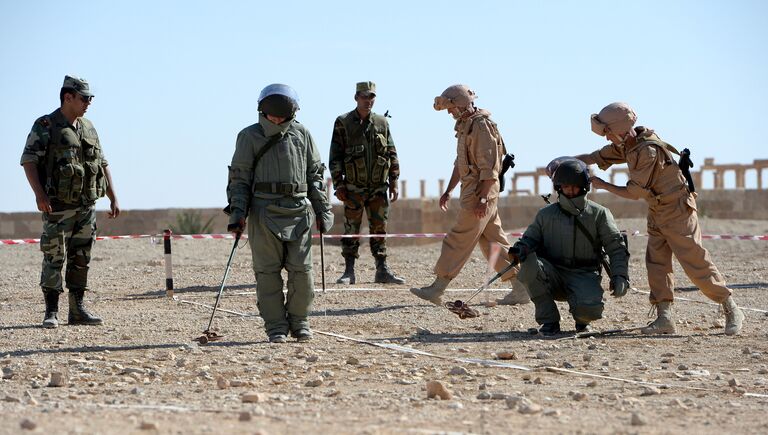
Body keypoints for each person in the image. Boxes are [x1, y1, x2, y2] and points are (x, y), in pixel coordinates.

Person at [576, 102, 745, 335]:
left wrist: (602, 184)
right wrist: (566, 161)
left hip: (676, 209)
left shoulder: (646, 151)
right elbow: (596, 156)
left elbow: (635, 192)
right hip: (657, 208)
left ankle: (730, 306)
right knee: (657, 263)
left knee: (694, 261)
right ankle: (664, 318)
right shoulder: (629, 144)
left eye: (607, 133)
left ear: (620, 130)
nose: (606, 139)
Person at [227, 84, 333, 343]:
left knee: (302, 271)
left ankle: (300, 322)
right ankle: (275, 326)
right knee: (267, 272)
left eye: (282, 116)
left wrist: (322, 209)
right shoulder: (248, 136)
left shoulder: (302, 134)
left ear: (292, 113)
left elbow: (315, 175)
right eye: (271, 115)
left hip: (299, 210)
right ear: (261, 111)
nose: (276, 120)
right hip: (264, 211)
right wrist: (238, 213)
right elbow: (239, 178)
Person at [410, 84, 530, 305]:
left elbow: (490, 168)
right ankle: (521, 287)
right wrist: (449, 190)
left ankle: (437, 287)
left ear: (461, 104)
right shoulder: (466, 126)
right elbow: (461, 163)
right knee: (493, 242)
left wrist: (483, 199)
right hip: (476, 192)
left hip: (479, 194)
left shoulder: (481, 127)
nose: (449, 112)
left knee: (459, 238)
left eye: (450, 107)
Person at [21, 75, 119, 329]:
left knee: (81, 258)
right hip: (58, 207)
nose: (89, 102)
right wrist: (39, 195)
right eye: (84, 98)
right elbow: (29, 160)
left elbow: (102, 163)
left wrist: (112, 196)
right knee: (54, 257)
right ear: (68, 97)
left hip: (86, 207)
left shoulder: (88, 127)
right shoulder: (46, 125)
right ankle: (51, 312)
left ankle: (77, 311)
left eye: (90, 98)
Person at [509, 158, 630, 335]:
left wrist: (620, 275)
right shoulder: (545, 215)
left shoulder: (600, 214)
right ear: (559, 188)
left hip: (584, 275)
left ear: (584, 187)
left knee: (589, 310)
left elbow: (616, 247)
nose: (570, 191)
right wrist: (520, 248)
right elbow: (529, 239)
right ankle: (549, 321)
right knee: (529, 262)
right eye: (566, 187)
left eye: (575, 187)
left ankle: (582, 320)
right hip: (552, 274)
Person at [328, 81, 405, 285]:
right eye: (364, 96)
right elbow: (335, 157)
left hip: (379, 188)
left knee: (379, 229)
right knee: (351, 228)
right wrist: (339, 185)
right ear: (356, 98)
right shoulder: (343, 122)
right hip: (354, 188)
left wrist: (394, 181)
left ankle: (382, 270)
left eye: (371, 97)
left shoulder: (382, 123)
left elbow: (392, 153)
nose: (368, 100)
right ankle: (349, 271)